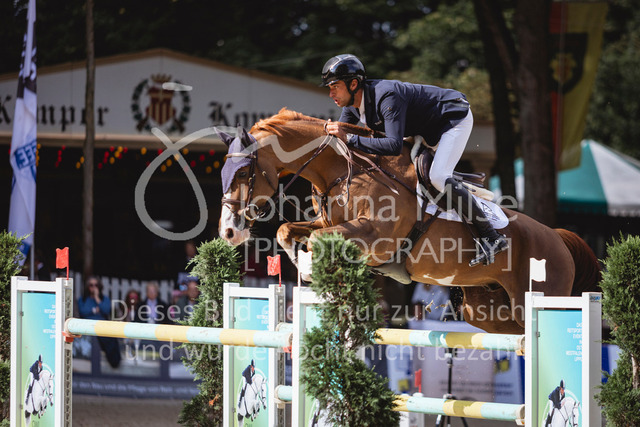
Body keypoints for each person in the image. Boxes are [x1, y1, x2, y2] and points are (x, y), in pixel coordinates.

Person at [322, 54, 508, 267]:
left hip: (452, 119)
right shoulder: (351, 106)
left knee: (438, 177)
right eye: (329, 88)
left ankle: (491, 236)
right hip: (425, 128)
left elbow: (392, 145)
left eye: (335, 86)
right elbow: (342, 142)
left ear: (353, 84)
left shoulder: (387, 96)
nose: (331, 94)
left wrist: (349, 138)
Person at [77, 276, 121, 368]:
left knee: (112, 339)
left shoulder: (104, 298)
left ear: (99, 286)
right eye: (91, 285)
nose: (93, 287)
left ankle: (115, 361)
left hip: (102, 326)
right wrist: (94, 310)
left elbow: (106, 310)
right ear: (87, 287)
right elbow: (83, 311)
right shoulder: (83, 299)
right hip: (88, 326)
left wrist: (97, 298)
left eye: (96, 285)